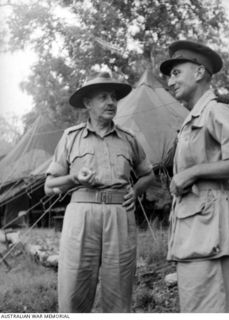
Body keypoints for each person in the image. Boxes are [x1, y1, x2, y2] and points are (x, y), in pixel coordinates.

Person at [159, 40, 229, 312]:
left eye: (175, 73)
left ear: (198, 73)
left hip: (208, 237)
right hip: (196, 235)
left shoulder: (215, 111)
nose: (170, 81)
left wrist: (194, 172)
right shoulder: (193, 117)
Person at [44, 72, 155, 313]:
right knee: (74, 289)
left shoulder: (128, 139)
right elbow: (49, 185)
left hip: (119, 215)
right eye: (103, 97)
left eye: (114, 97)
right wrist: (74, 178)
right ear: (87, 103)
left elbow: (149, 174)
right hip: (81, 215)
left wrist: (135, 191)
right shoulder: (71, 138)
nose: (111, 102)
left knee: (118, 291)